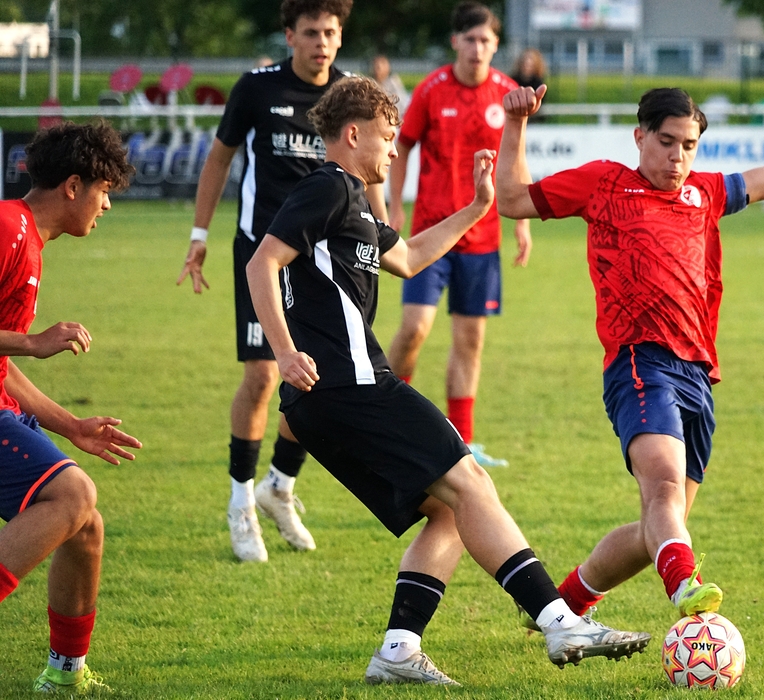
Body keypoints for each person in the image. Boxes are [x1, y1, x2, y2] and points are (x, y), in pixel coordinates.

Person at [245, 75, 650, 686]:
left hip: (330, 398)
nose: (393, 149)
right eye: (386, 137)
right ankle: (560, 621)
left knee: (450, 511)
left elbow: (408, 258)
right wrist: (284, 350)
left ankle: (399, 650)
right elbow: (262, 262)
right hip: (349, 386)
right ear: (352, 135)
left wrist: (478, 208)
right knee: (470, 481)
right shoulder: (328, 187)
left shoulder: (355, 202)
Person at [496, 61, 764, 621]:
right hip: (639, 362)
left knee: (660, 526)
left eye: (688, 146)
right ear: (640, 136)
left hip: (698, 375)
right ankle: (687, 587)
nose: (677, 157)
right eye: (666, 142)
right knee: (663, 489)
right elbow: (512, 198)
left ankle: (563, 606)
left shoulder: (705, 194)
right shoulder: (604, 184)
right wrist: (516, 125)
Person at [177, 0, 388, 563]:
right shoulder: (256, 88)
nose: (322, 43)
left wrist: (380, 233)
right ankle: (240, 502)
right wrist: (199, 233)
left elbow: (371, 173)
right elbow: (218, 159)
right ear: (290, 36)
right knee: (263, 375)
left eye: (331, 32)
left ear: (340, 36)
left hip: (327, 261)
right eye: (311, 32)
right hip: (263, 253)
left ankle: (280, 485)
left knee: (319, 377)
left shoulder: (352, 94)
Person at [0, 121, 142, 694]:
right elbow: (18, 350)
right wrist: (34, 341)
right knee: (74, 494)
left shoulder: (28, 238)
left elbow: (4, 369)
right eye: (104, 191)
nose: (106, 205)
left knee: (84, 527)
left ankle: (64, 674)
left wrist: (73, 427)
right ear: (73, 186)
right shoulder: (9, 226)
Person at [386, 2, 531, 468]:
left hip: (482, 237)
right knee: (414, 330)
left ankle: (463, 444)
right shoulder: (432, 89)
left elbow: (515, 160)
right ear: (455, 42)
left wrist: (522, 220)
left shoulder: (506, 93)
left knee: (470, 340)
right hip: (430, 234)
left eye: (486, 40)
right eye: (470, 39)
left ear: (496, 44)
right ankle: (388, 420)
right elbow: (401, 146)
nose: (477, 48)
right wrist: (394, 204)